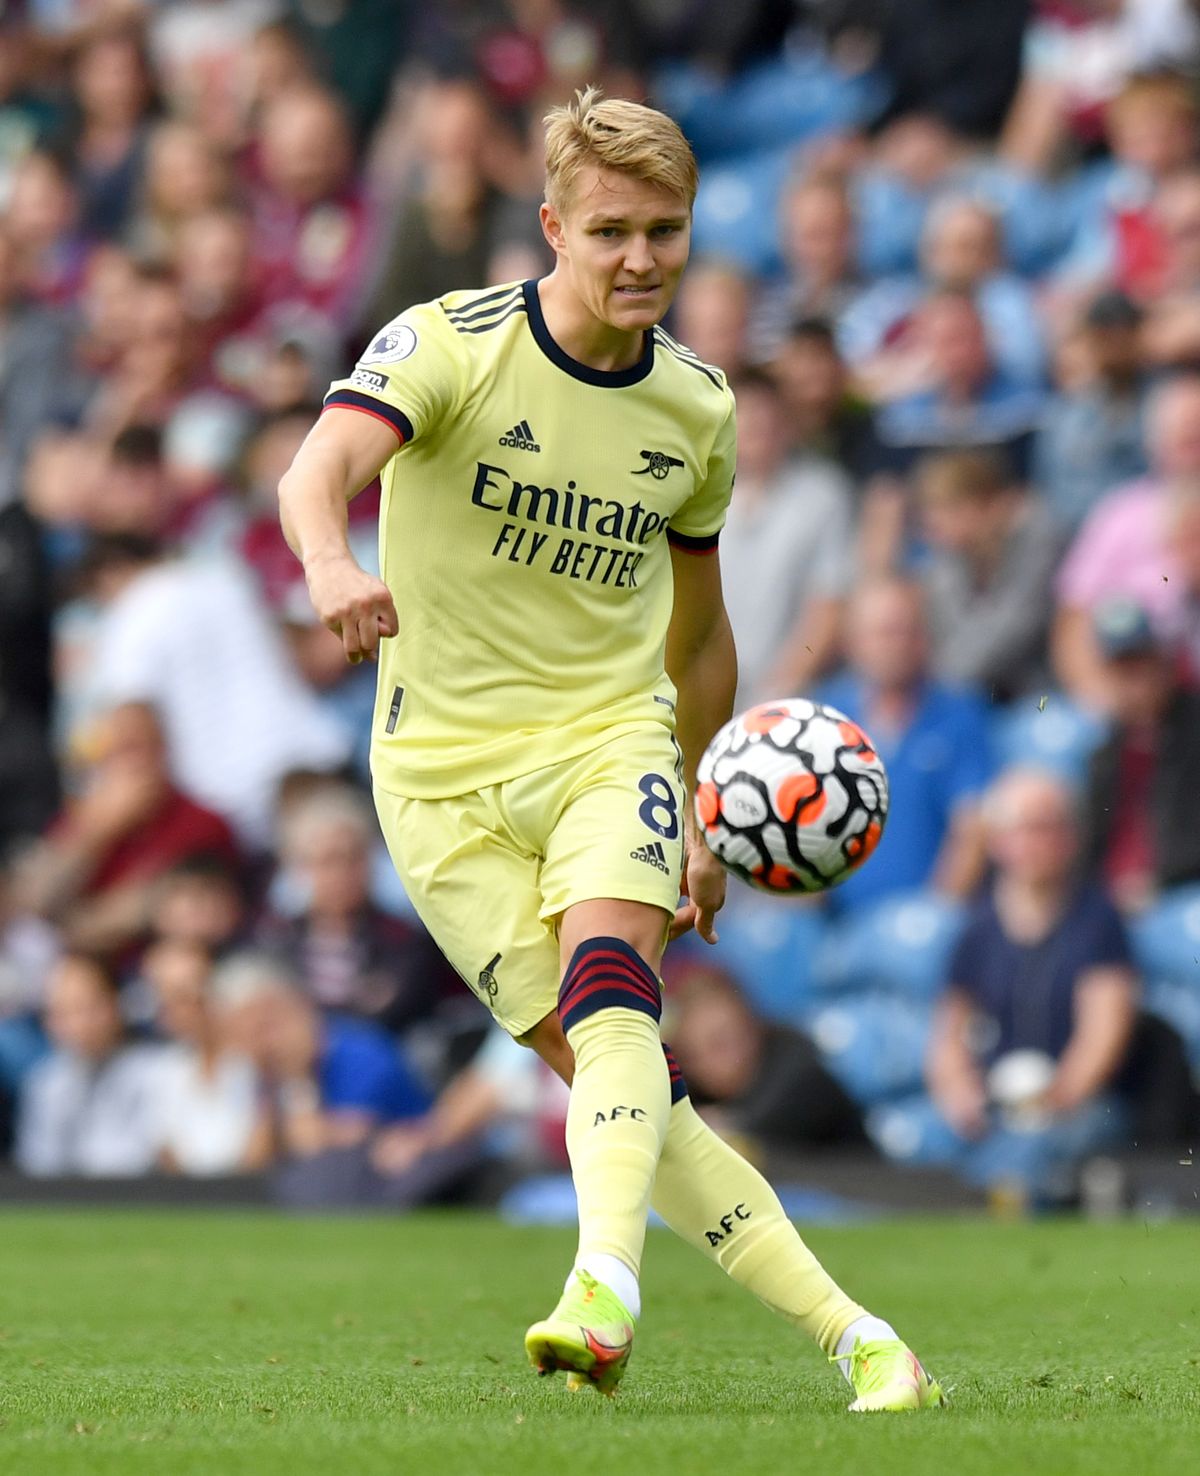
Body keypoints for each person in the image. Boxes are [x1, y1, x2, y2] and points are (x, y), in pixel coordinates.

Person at [277, 89, 943, 1411]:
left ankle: (601, 1285)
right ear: (552, 229)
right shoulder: (450, 345)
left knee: (612, 990)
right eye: (613, 232)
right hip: (435, 780)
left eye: (669, 232)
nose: (643, 259)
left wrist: (698, 813)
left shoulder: (697, 409)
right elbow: (315, 471)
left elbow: (701, 642)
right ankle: (864, 1340)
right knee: (622, 1085)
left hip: (606, 739)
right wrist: (329, 566)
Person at [925, 768, 1137, 1205]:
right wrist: (960, 1094)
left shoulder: (1097, 920)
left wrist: (1052, 1100)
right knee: (929, 1131)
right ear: (998, 840)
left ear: (1071, 837)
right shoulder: (978, 928)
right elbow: (948, 1033)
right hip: (996, 1103)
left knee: (1049, 1143)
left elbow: (1103, 1034)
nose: (1039, 842)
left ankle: (995, 1197)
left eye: (1051, 827)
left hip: (1073, 1106)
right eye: (1026, 828)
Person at [819, 578, 994, 907]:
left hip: (926, 920)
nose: (898, 644)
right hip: (834, 922)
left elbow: (972, 832)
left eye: (909, 630)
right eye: (885, 632)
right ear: (853, 642)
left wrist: (931, 916)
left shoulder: (959, 714)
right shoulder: (825, 718)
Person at [720, 368, 853, 704]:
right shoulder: (695, 495)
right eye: (746, 420)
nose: (757, 430)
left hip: (791, 696)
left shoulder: (824, 496)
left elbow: (829, 604)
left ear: (787, 424)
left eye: (767, 420)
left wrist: (778, 692)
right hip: (705, 692)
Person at [1080, 599, 1200, 910]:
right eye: (1120, 669)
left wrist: (1159, 881)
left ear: (1164, 663)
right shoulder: (1104, 751)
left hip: (1180, 893)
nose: (1133, 682)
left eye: (1139, 664)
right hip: (1114, 901)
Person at [916, 449, 1058, 701]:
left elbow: (1015, 629)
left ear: (988, 504)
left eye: (948, 507)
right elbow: (941, 634)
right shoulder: (948, 558)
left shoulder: (1040, 541)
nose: (933, 521)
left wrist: (934, 687)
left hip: (1042, 696)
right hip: (973, 695)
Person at [15, 952, 166, 1178]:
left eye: (83, 1008)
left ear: (114, 1005)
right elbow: (38, 1165)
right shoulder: (45, 1082)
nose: (75, 1025)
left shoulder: (158, 1072)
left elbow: (139, 1161)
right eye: (60, 1012)